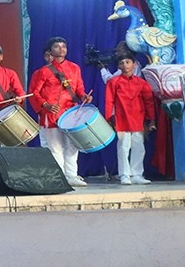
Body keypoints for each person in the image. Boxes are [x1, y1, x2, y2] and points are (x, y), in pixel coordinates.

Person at [29, 36, 93, 187]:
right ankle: (59, 177)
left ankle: (71, 176)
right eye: (57, 46)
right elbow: (34, 93)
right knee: (55, 147)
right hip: (52, 113)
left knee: (72, 145)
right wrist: (46, 105)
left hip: (71, 112)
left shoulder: (75, 68)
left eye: (63, 46)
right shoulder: (43, 72)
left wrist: (84, 96)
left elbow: (79, 89)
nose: (61, 49)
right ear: (50, 51)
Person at [104, 53, 156, 185]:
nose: (125, 65)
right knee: (123, 147)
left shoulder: (142, 83)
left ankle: (137, 174)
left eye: (127, 62)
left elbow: (149, 102)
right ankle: (124, 175)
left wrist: (151, 119)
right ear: (118, 66)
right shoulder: (113, 82)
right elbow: (109, 101)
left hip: (138, 118)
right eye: (121, 63)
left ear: (134, 65)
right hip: (121, 119)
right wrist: (109, 118)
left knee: (139, 147)